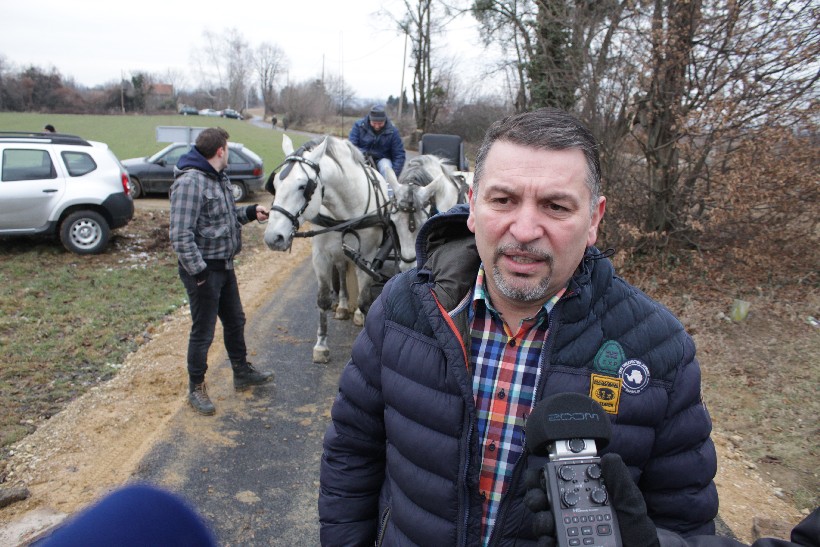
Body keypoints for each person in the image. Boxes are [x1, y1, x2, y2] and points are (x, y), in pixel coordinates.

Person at [318, 108, 719, 545]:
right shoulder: (401, 308)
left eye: (556, 206)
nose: (525, 230)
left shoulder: (661, 352)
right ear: (472, 206)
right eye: (503, 200)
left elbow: (686, 523)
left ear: (594, 219)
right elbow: (351, 456)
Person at [170, 127, 273, 416]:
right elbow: (180, 235)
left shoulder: (218, 177)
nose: (228, 153)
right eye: (227, 149)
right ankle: (196, 388)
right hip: (203, 270)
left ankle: (241, 372)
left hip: (224, 265)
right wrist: (199, 273)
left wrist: (251, 213)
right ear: (220, 151)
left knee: (235, 319)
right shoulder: (191, 183)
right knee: (203, 332)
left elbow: (224, 220)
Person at [348, 104, 406, 180]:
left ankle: (389, 190)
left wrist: (394, 176)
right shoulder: (358, 126)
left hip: (383, 159)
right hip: (361, 156)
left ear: (385, 120)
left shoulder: (393, 131)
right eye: (374, 123)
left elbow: (399, 155)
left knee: (386, 168)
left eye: (380, 123)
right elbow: (351, 146)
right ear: (369, 119)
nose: (377, 126)